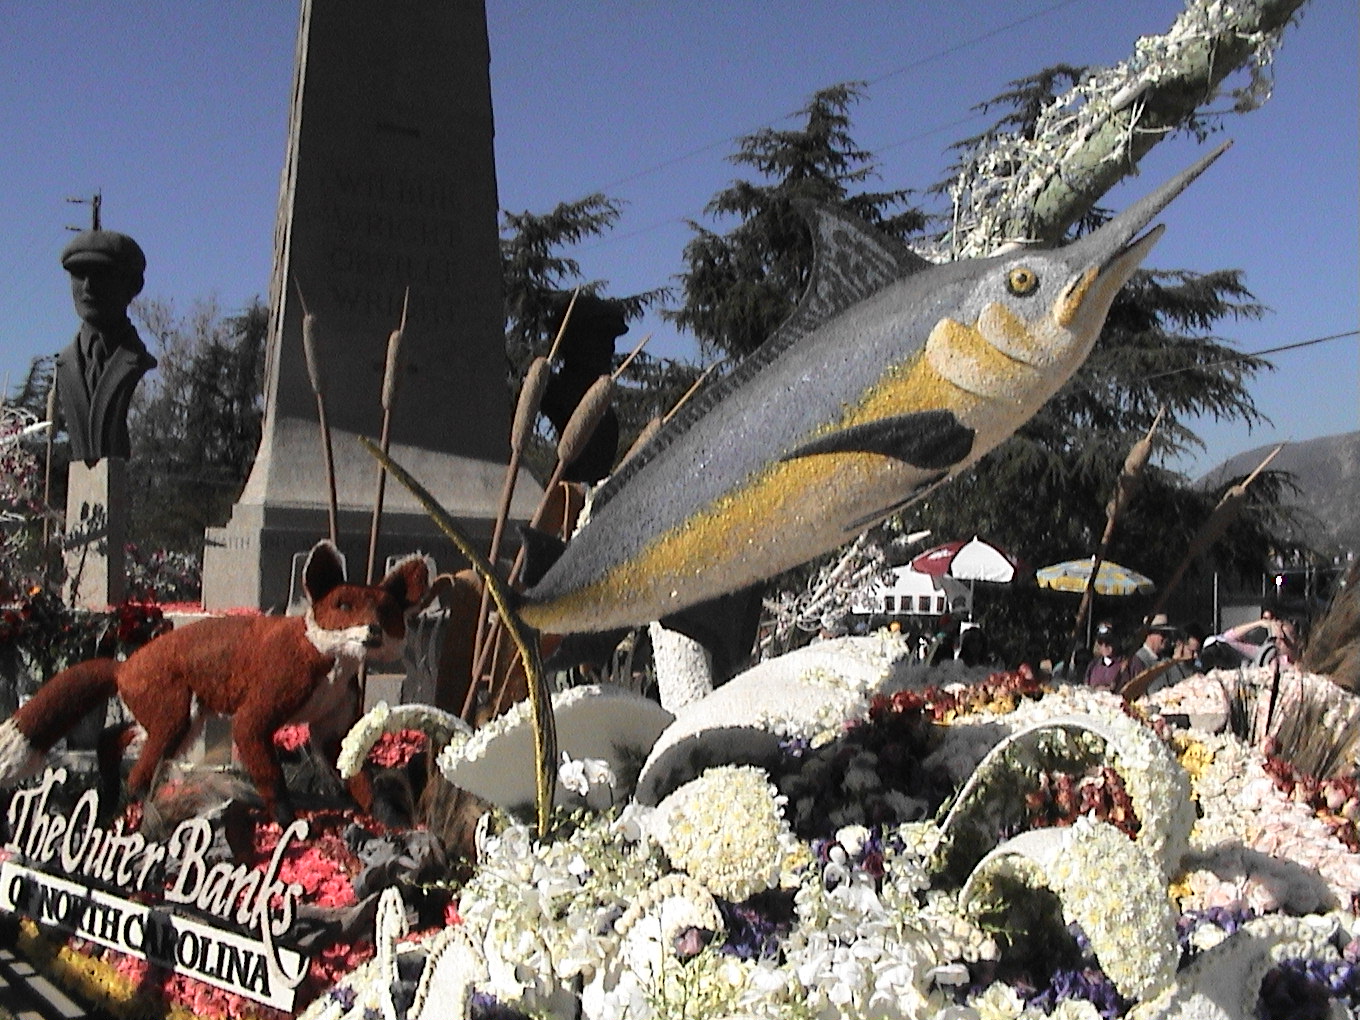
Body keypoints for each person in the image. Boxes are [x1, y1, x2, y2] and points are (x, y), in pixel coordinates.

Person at [53, 230, 157, 465]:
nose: (88, 286)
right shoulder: (66, 363)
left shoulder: (136, 358)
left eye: (101, 274)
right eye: (79, 275)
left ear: (133, 286)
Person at [1083, 621, 1124, 691]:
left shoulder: (1130, 664)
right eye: (1100, 642)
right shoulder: (1092, 666)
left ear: (1117, 641)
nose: (1104, 645)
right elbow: (1085, 690)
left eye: (1108, 641)